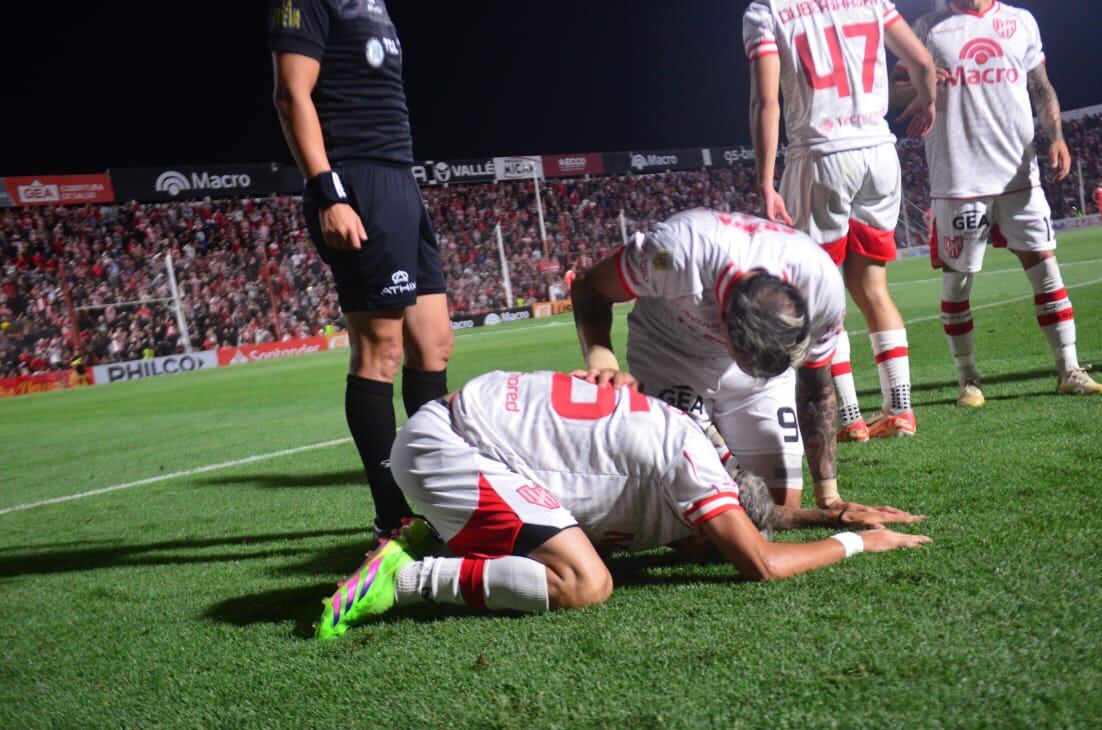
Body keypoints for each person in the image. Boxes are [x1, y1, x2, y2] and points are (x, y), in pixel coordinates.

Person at [317, 370, 930, 637]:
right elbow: (762, 562)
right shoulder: (694, 472)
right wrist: (857, 541)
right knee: (585, 582)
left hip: (454, 431)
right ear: (714, 513)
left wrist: (828, 512)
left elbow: (751, 520)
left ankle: (440, 532)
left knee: (567, 545)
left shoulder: (691, 448)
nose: (698, 552)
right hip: (449, 448)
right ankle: (406, 578)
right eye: (712, 539)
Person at [269, 0, 454, 544]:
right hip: (357, 179)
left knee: (435, 343)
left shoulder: (375, 6)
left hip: (400, 176)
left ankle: (438, 494)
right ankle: (392, 516)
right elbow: (290, 92)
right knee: (381, 351)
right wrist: (328, 191)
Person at [571, 208, 851, 513]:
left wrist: (829, 497)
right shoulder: (670, 256)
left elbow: (816, 385)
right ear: (721, 322)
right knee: (691, 513)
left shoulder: (823, 287)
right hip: (668, 354)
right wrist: (603, 361)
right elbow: (589, 284)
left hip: (753, 366)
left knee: (775, 506)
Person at [744, 0, 936, 441]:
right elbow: (922, 61)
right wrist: (928, 102)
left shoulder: (767, 10)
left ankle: (848, 416)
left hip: (820, 156)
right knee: (873, 286)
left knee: (818, 294)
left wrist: (765, 182)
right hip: (878, 153)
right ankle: (899, 410)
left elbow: (766, 101)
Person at [903, 0, 1102, 406]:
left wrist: (1057, 136)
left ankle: (1069, 369)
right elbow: (891, 85)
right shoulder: (928, 27)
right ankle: (968, 379)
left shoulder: (1021, 22)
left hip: (1019, 174)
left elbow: (1041, 86)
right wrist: (922, 82)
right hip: (958, 177)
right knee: (958, 283)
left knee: (1046, 270)